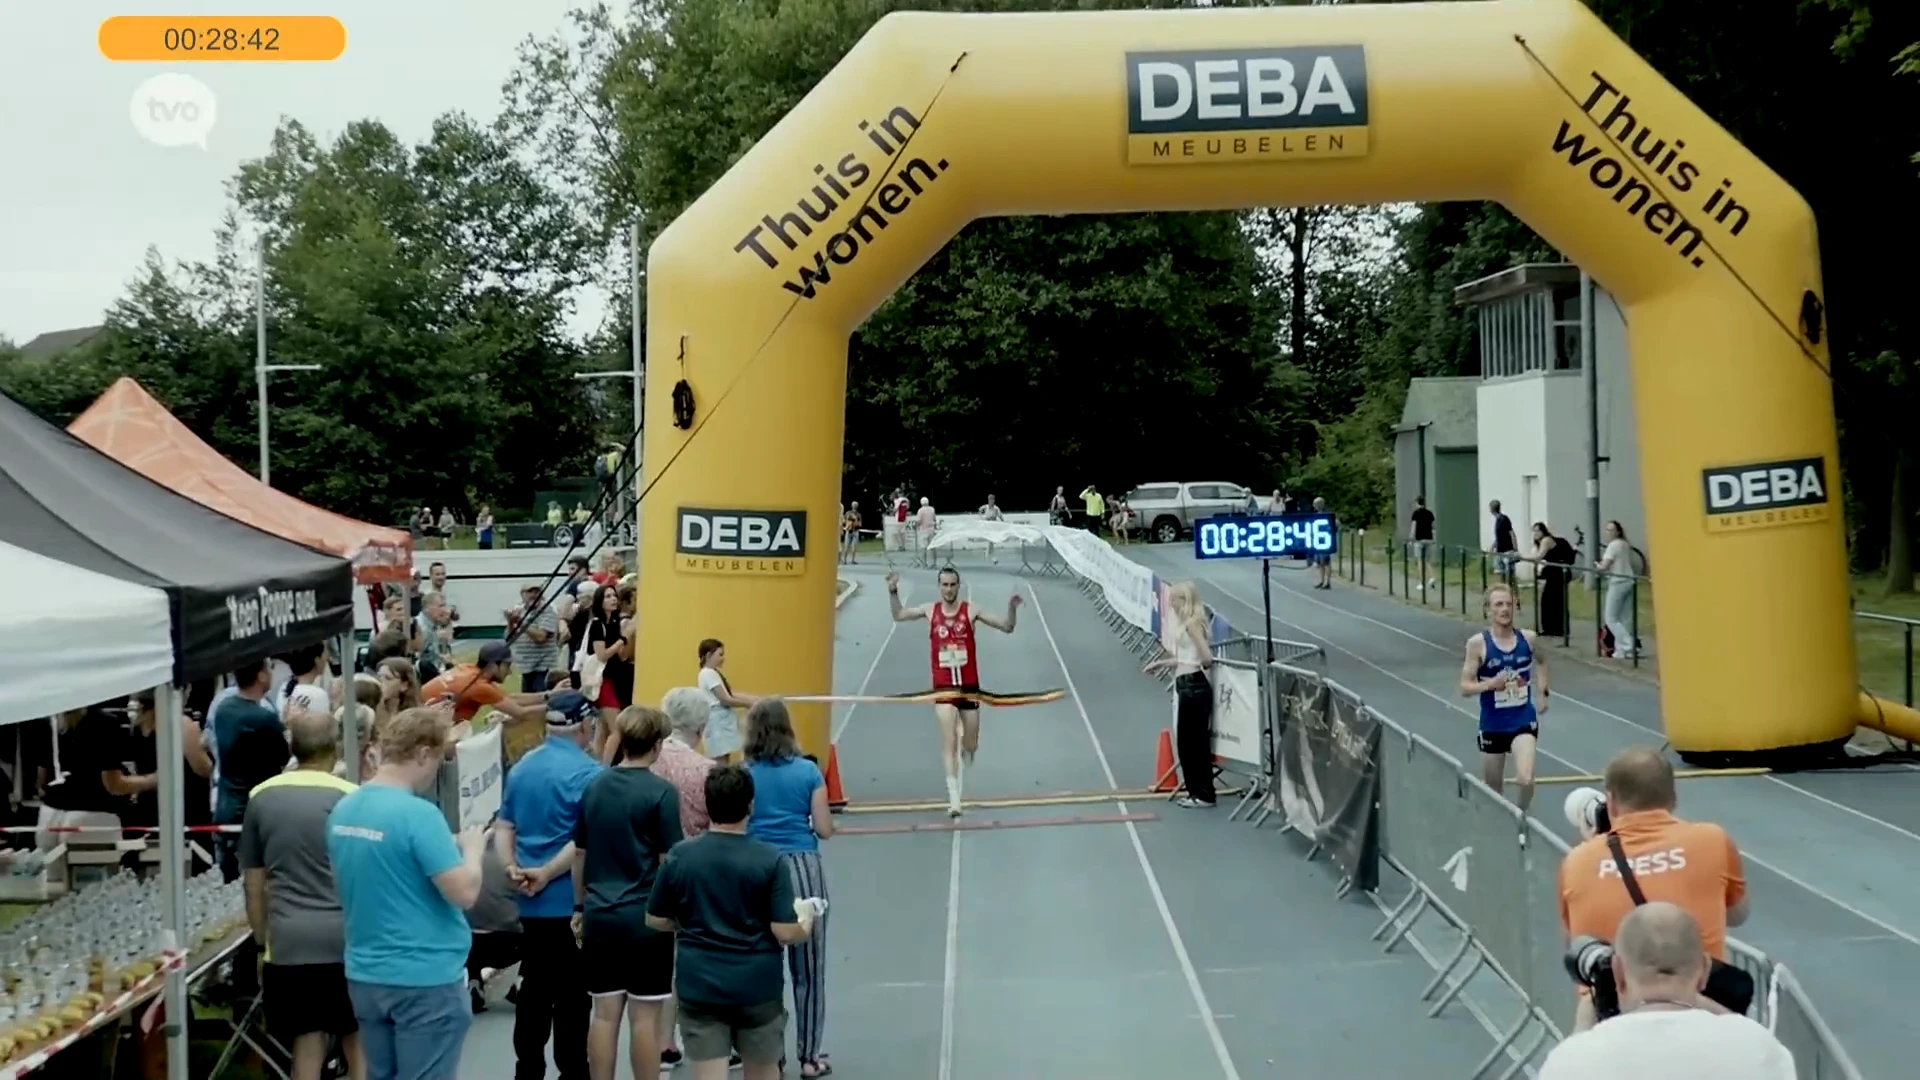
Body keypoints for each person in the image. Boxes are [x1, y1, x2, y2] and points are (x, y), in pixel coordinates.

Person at [326, 707, 486, 1080]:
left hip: (366, 972)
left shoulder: (344, 809)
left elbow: (357, 875)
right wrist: (474, 852)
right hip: (424, 976)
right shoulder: (419, 815)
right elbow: (464, 892)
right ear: (422, 754)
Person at [645, 767, 819, 1080]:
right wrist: (804, 923)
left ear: (707, 804)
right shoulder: (769, 859)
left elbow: (655, 918)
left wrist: (688, 924)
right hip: (757, 987)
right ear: (750, 806)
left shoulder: (681, 856)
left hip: (701, 985)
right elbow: (783, 929)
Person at [1560, 746, 1750, 1032]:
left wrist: (1595, 848)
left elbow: (1576, 943)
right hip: (1697, 1014)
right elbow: (1738, 914)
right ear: (1672, 798)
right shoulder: (1710, 840)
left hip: (1612, 1023)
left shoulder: (1577, 861)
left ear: (1610, 804)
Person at [241, 705, 365, 1080]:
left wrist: (263, 941)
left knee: (307, 1041)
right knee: (357, 1039)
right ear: (336, 748)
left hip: (290, 940)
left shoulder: (261, 796)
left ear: (293, 748)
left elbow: (253, 881)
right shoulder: (352, 797)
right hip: (346, 937)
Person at [1538, 902, 1793, 1079]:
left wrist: (1583, 1025)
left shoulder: (1572, 1060)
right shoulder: (1759, 1048)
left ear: (1617, 972)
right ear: (1704, 970)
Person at [495, 691, 604, 1080]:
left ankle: (528, 1068)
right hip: (570, 905)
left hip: (530, 903)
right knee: (574, 995)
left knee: (535, 986)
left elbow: (505, 826)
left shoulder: (523, 768)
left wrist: (512, 867)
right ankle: (572, 1069)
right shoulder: (592, 776)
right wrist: (548, 872)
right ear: (586, 726)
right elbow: (582, 844)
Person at [572, 705, 684, 1080]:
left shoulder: (595, 785)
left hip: (601, 915)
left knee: (603, 1015)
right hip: (646, 918)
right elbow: (670, 860)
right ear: (655, 745)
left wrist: (579, 906)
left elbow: (580, 854)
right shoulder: (662, 793)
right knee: (645, 1018)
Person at [742, 701, 835, 1077]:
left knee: (763, 967)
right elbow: (825, 829)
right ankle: (809, 1056)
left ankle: (769, 1055)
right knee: (809, 968)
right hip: (802, 868)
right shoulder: (808, 771)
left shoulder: (744, 773)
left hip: (758, 868)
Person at [885, 566, 1022, 817]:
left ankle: (968, 750)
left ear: (958, 586)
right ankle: (954, 799)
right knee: (948, 741)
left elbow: (1007, 627)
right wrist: (893, 590)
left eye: (952, 585)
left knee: (970, 743)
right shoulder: (930, 610)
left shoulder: (972, 610)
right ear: (939, 587)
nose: (948, 589)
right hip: (944, 688)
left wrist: (1012, 607)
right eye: (944, 585)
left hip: (970, 688)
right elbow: (899, 615)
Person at [1457, 583, 1548, 812]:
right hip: (1493, 724)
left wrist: (1542, 692)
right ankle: (1500, 822)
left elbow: (1543, 661)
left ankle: (1521, 816)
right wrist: (1490, 684)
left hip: (1523, 719)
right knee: (1493, 791)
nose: (1505, 609)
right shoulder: (1477, 644)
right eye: (1499, 604)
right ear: (1488, 610)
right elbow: (1464, 687)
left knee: (1526, 778)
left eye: (1509, 604)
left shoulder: (1528, 639)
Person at [1143, 582, 1215, 809]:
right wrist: (1161, 663)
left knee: (1194, 743)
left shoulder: (1193, 624)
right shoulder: (1185, 624)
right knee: (1186, 742)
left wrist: (1192, 664)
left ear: (1184, 600)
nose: (1170, 603)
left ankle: (1203, 793)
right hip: (1186, 684)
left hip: (1194, 684)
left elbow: (1205, 657)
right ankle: (1196, 790)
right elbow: (1186, 655)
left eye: (1174, 599)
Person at [420, 641, 553, 727]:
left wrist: (549, 695)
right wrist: (561, 703)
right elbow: (521, 713)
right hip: (428, 731)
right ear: (494, 665)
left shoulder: (467, 668)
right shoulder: (479, 687)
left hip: (421, 720)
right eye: (507, 666)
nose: (510, 672)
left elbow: (508, 698)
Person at [696, 639, 759, 764]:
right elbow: (725, 699)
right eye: (720, 655)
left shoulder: (712, 673)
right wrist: (749, 704)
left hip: (720, 724)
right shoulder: (708, 673)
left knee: (724, 758)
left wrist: (751, 698)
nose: (723, 658)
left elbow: (729, 693)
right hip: (717, 725)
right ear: (709, 655)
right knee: (720, 761)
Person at [1596, 520, 1646, 659]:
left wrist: (1598, 566)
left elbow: (1605, 565)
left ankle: (1628, 644)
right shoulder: (1625, 544)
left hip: (1618, 581)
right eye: (1607, 530)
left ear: (1618, 531)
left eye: (1611, 530)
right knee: (1623, 618)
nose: (1608, 533)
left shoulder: (1613, 546)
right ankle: (1621, 650)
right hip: (1629, 580)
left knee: (1610, 617)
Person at [1533, 523, 1578, 638]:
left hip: (1557, 573)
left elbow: (1539, 556)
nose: (1535, 534)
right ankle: (1554, 629)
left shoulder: (1546, 540)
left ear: (1543, 531)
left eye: (1538, 531)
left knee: (1552, 600)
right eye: (1534, 531)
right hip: (1556, 572)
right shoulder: (1544, 541)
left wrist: (1521, 557)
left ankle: (1555, 629)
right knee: (1553, 600)